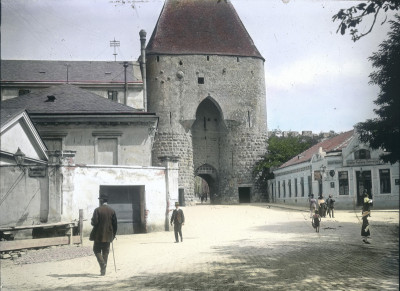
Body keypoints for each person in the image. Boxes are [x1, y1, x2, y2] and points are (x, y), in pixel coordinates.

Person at [90, 193, 118, 276]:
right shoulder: (112, 211)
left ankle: (102, 264)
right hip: (108, 235)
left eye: (99, 200)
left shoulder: (97, 210)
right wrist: (113, 235)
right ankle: (103, 271)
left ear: (101, 200)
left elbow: (94, 222)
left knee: (96, 250)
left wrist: (92, 221)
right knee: (105, 253)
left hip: (98, 235)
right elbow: (115, 225)